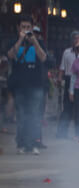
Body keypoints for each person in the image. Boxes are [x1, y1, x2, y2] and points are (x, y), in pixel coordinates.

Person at [7, 18, 48, 154]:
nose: (25, 29)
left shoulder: (39, 42)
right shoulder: (14, 42)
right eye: (23, 26)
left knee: (34, 115)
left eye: (28, 27)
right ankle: (22, 144)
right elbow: (11, 55)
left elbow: (43, 57)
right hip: (19, 85)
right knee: (22, 116)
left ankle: (33, 143)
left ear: (32, 27)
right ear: (18, 27)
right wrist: (20, 40)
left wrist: (34, 41)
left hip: (35, 85)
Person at [56, 30, 79, 139]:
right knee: (67, 107)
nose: (77, 40)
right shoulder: (67, 52)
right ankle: (62, 132)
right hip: (68, 78)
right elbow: (62, 67)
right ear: (72, 40)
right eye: (75, 38)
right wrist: (59, 78)